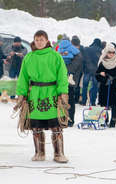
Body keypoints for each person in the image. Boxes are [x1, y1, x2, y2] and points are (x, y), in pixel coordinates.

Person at [14, 30, 69, 163]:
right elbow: (23, 77)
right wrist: (21, 94)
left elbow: (62, 75)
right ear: (34, 41)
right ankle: (39, 153)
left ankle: (59, 153)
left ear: (47, 41)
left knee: (56, 126)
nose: (39, 42)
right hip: (34, 94)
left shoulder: (56, 56)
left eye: (42, 40)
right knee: (36, 126)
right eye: (37, 40)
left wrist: (63, 92)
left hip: (52, 94)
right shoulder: (29, 57)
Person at [96, 43, 116, 128]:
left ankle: (113, 122)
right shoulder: (102, 62)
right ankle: (104, 120)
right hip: (105, 86)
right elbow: (97, 75)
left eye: (113, 52)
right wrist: (101, 75)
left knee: (114, 105)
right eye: (110, 52)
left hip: (115, 86)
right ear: (106, 52)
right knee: (103, 105)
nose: (111, 54)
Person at [81, 38, 102, 105]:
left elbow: (83, 60)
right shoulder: (100, 50)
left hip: (87, 70)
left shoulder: (87, 49)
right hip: (96, 71)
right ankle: (93, 102)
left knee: (85, 86)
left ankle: (83, 101)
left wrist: (84, 69)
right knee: (95, 86)